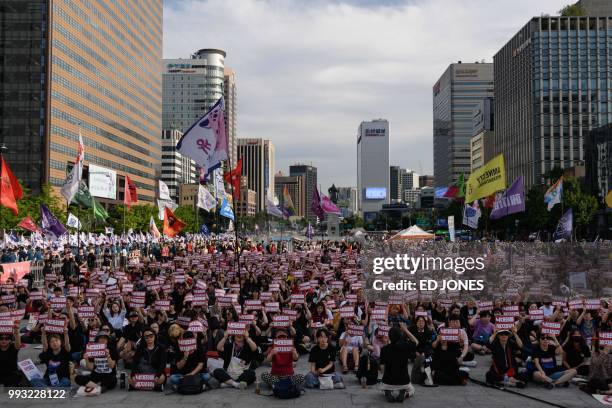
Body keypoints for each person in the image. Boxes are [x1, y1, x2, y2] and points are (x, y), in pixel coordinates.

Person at [379, 327, 415, 402]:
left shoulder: (384, 349)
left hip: (388, 381)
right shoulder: (406, 346)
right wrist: (406, 330)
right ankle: (404, 394)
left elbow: (382, 368)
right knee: (412, 390)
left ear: (389, 337)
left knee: (382, 387)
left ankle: (388, 392)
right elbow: (416, 342)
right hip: (404, 381)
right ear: (401, 336)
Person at [33, 321, 72, 388]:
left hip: (62, 378)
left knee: (66, 382)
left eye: (56, 340)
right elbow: (44, 344)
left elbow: (67, 345)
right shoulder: (48, 352)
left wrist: (66, 334)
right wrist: (43, 333)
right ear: (50, 344)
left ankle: (51, 390)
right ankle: (48, 390)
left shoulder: (64, 351)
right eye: (52, 342)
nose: (54, 343)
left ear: (60, 342)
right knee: (34, 380)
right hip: (49, 379)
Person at [0, 321, 22, 386]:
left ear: (10, 340)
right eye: (1, 338)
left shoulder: (13, 347)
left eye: (6, 338)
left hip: (11, 374)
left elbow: (18, 344)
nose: (4, 340)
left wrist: (16, 331)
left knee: (14, 379)